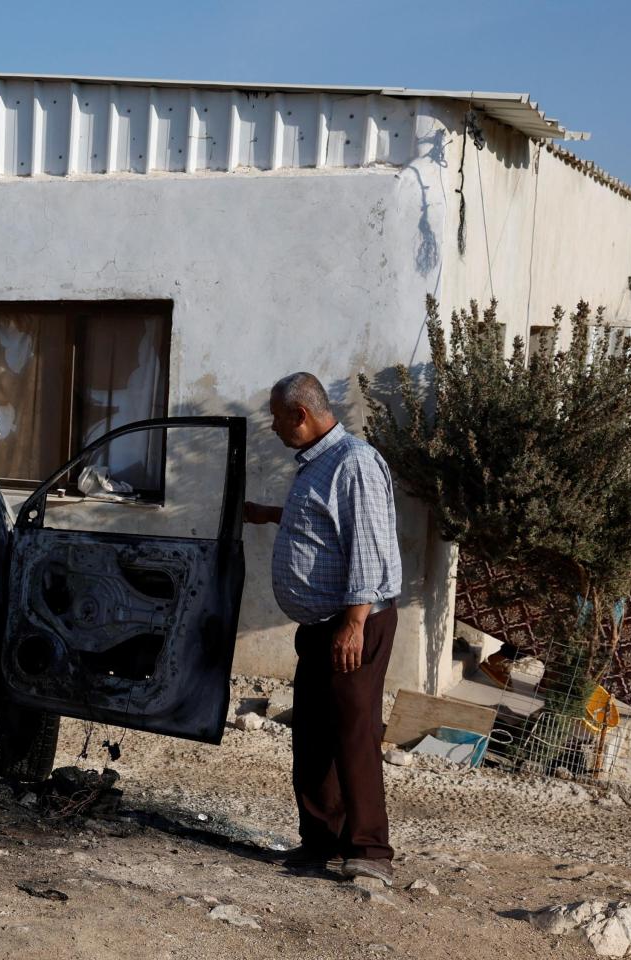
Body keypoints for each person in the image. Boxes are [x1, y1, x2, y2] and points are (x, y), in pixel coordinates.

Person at [243, 373, 401, 884]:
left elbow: (370, 547)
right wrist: (267, 515)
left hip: (354, 623)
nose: (271, 426)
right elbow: (318, 521)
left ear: (300, 415)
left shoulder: (354, 462)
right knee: (311, 735)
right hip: (319, 625)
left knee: (354, 734)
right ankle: (319, 842)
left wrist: (354, 624)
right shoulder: (318, 464)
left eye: (275, 415)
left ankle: (369, 852)